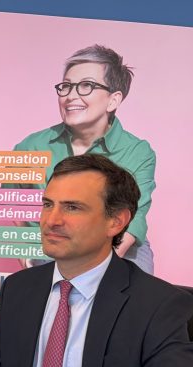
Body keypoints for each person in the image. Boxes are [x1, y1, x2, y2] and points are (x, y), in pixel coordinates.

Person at [0, 154, 193, 367]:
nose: (51, 220)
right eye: (48, 204)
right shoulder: (19, 288)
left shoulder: (158, 304)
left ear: (116, 221)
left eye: (72, 207)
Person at [12, 45, 156, 273]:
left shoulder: (138, 152)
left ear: (113, 100)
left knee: (133, 293)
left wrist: (96, 270)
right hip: (55, 240)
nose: (70, 96)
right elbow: (13, 203)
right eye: (66, 86)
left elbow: (134, 217)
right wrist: (23, 251)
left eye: (86, 86)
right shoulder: (31, 146)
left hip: (116, 245)